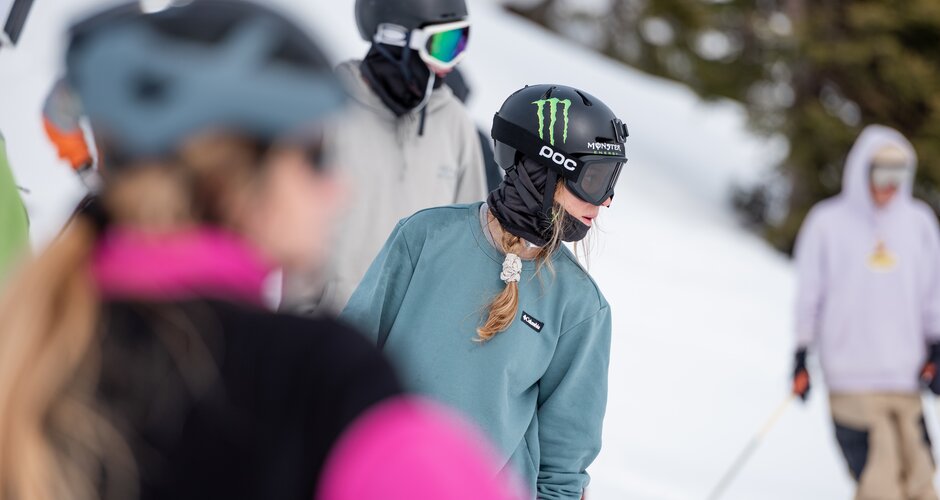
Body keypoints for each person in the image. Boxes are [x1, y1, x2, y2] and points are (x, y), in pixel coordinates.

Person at [0, 3, 519, 500]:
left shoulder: (42, 331)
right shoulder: (318, 380)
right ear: (234, 177)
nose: (338, 188)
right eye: (315, 157)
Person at [342, 84, 629, 499]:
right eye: (597, 180)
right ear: (543, 170)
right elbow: (346, 360)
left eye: (612, 181)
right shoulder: (426, 237)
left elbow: (563, 463)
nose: (607, 200)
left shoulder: (581, 306)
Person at [280, 0, 487, 315]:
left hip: (406, 336)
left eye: (460, 42)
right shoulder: (327, 108)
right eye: (444, 45)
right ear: (396, 35)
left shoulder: (455, 124)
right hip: (321, 326)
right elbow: (285, 224)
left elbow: (470, 245)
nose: (451, 65)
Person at [792, 125, 940, 500]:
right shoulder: (828, 223)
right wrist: (802, 354)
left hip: (905, 378)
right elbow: (809, 295)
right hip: (851, 380)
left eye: (898, 173)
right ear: (863, 170)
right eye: (882, 172)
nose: (889, 184)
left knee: (921, 481)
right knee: (881, 484)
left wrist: (936, 347)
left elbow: (932, 293)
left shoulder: (919, 223)